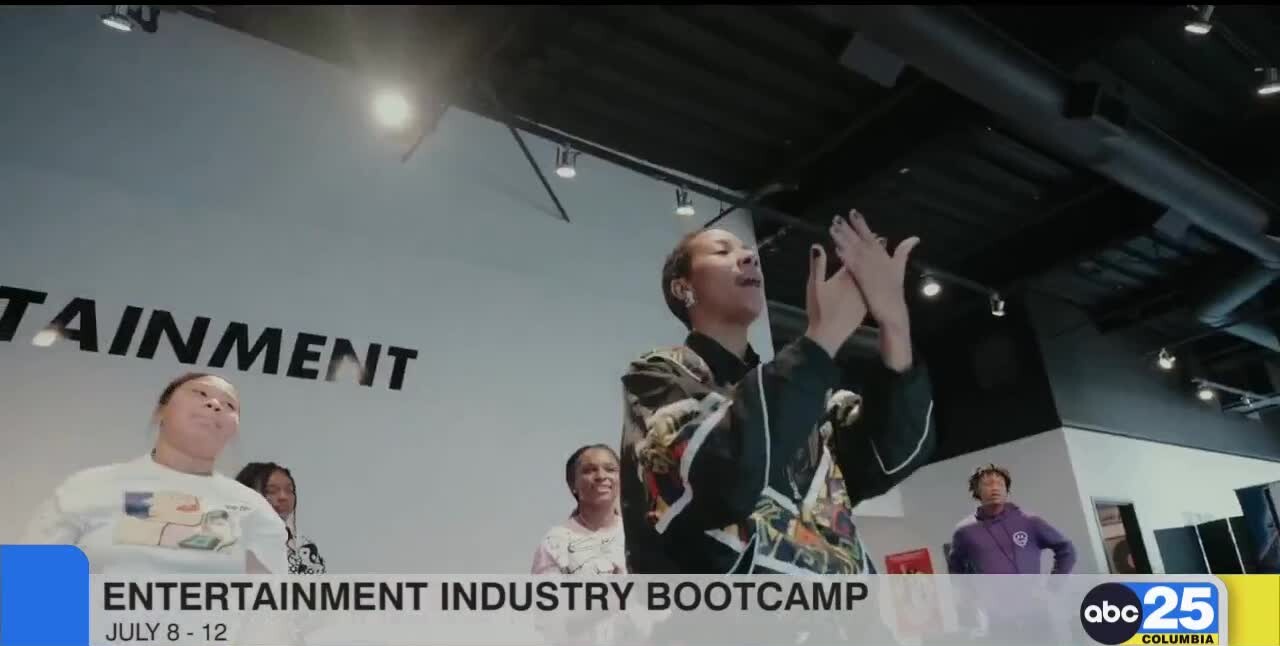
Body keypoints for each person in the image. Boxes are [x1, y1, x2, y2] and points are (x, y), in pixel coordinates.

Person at [620, 211, 937, 575]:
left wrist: (894, 323)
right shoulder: (658, 377)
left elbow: (889, 455)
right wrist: (825, 334)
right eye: (722, 251)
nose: (749, 257)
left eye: (748, 251)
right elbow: (718, 478)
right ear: (682, 288)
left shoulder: (802, 395)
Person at [22, 372, 288, 575]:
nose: (215, 404)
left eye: (229, 405)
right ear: (161, 411)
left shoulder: (253, 508)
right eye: (200, 393)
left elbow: (273, 609)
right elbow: (30, 587)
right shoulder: (87, 487)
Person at [947, 464, 1077, 575]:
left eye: (1000, 484)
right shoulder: (964, 531)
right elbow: (956, 571)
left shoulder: (1030, 521)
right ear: (976, 491)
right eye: (988, 484)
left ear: (1006, 490)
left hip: (1034, 597)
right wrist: (969, 595)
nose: (995, 488)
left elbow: (1066, 549)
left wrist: (1053, 587)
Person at [531, 444, 626, 575]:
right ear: (572, 484)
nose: (601, 476)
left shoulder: (638, 537)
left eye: (610, 469)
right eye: (589, 470)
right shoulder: (555, 543)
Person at [236, 461, 327, 574]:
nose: (283, 497)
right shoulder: (227, 546)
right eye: (271, 491)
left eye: (289, 490)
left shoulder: (305, 549)